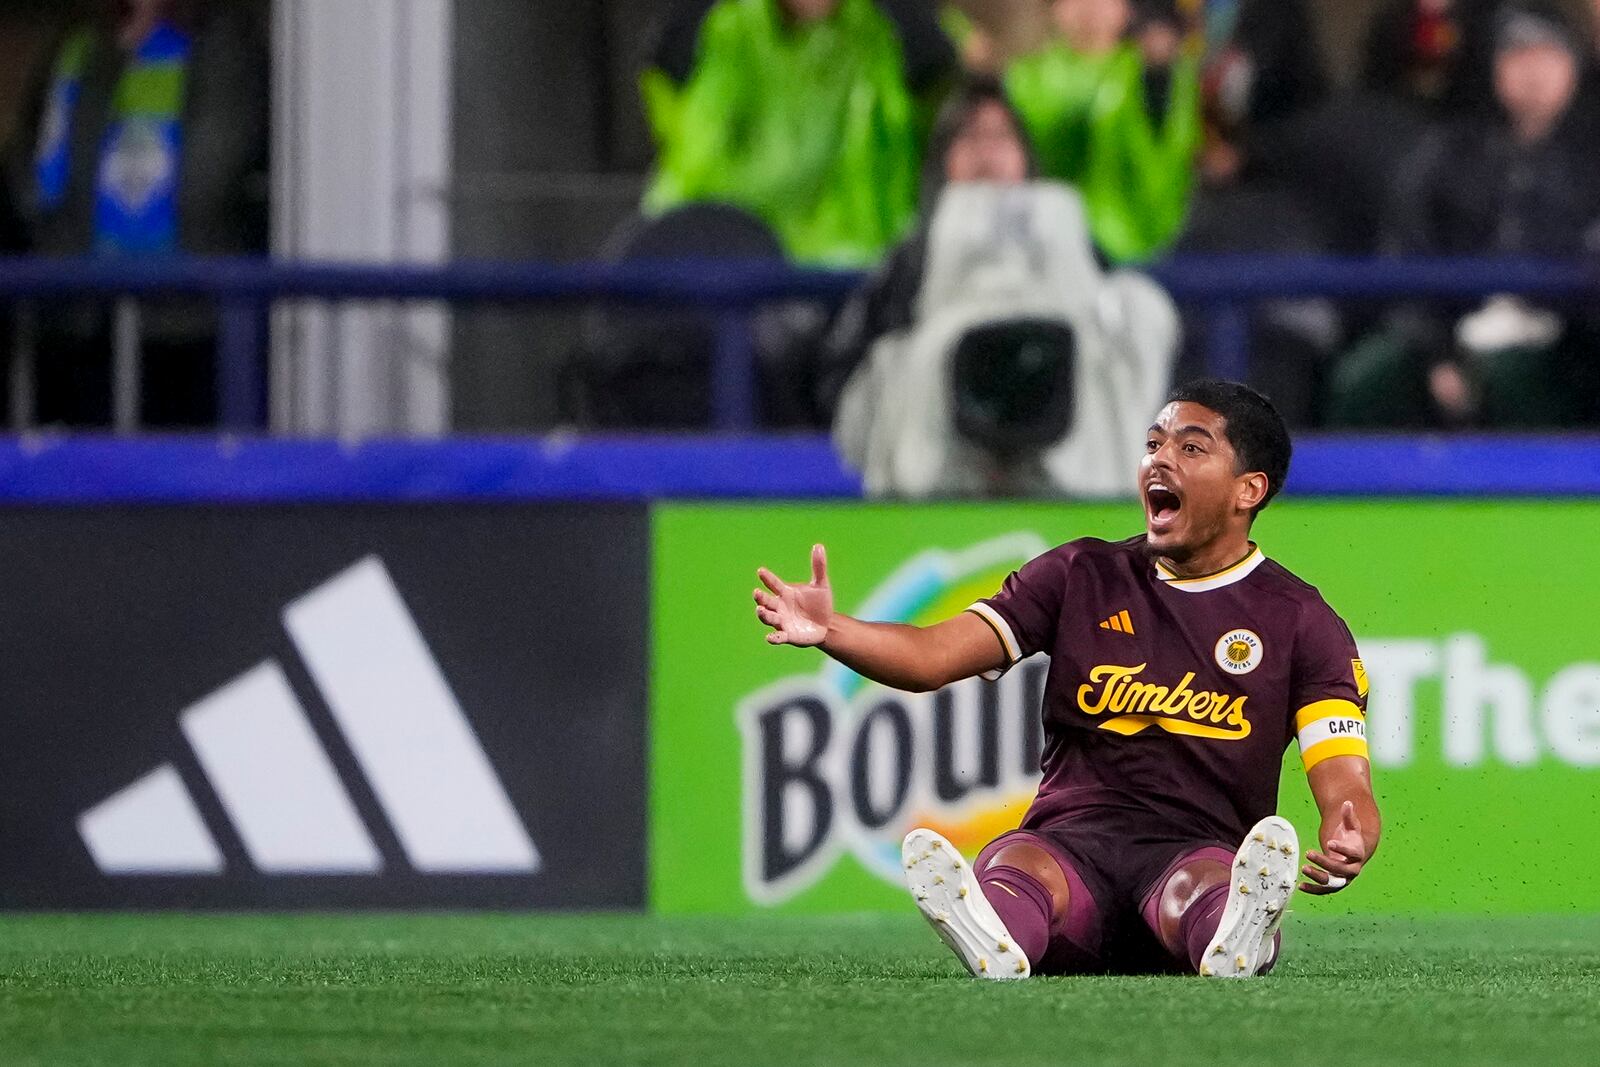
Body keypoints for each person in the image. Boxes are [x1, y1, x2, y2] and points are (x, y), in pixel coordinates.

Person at [753, 379, 1379, 978]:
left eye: (1191, 447)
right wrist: (833, 630)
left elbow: (1345, 776)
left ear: (1248, 490)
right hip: (1071, 844)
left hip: (1194, 850)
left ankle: (1238, 934)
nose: (1160, 460)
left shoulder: (1301, 620)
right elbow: (931, 656)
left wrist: (1351, 830)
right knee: (1019, 868)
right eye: (1153, 443)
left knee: (1204, 890)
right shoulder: (1081, 573)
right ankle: (992, 933)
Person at [824, 77, 1178, 496]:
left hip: (1074, 459)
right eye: (969, 136)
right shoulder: (911, 255)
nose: (986, 151)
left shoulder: (1078, 242)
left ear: (1026, 155)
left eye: (1001, 136)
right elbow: (854, 364)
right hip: (945, 465)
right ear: (943, 157)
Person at [1329, 2, 1600, 428]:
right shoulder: (1446, 155)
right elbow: (1407, 261)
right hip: (1453, 339)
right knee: (1368, 377)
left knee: (1515, 381)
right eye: (1517, 54)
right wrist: (1438, 354)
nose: (1534, 71)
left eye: (1549, 53)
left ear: (1574, 66)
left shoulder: (1590, 155)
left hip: (1566, 350)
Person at [1, 0, 269, 428]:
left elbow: (212, 175)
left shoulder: (220, 45)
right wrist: (45, 229)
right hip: (72, 314)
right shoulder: (80, 44)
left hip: (180, 323)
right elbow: (28, 149)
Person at [640, 0, 955, 268]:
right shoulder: (721, 31)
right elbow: (692, 157)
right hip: (729, 267)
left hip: (854, 270)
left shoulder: (890, 36)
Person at [1005, 0, 1202, 263]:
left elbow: (1171, 155)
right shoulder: (1019, 72)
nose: (1090, 8)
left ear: (1127, 10)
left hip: (1130, 246)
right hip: (1033, 242)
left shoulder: (1151, 73)